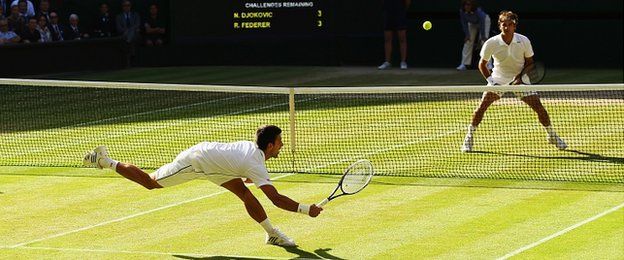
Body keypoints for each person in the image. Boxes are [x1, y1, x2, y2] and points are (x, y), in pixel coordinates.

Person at [83, 125, 323, 247]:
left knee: (245, 193)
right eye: (280, 142)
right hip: (195, 162)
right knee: (151, 183)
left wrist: (245, 176)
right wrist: (306, 209)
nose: (282, 146)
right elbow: (276, 199)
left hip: (213, 165)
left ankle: (272, 235)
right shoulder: (255, 163)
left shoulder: (254, 154)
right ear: (270, 146)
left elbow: (237, 166)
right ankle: (105, 160)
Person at [460, 10, 567, 152]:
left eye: (510, 24)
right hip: (499, 77)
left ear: (514, 26)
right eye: (504, 24)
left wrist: (520, 78)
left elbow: (530, 63)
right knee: (481, 107)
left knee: (540, 109)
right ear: (500, 26)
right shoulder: (491, 43)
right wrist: (492, 81)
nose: (507, 27)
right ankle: (469, 138)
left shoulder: (524, 41)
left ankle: (552, 135)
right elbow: (482, 64)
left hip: (521, 78)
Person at [456, 0, 491, 71]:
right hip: (472, 23)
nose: (467, 6)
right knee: (468, 41)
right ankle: (464, 64)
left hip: (484, 21)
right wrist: (467, 35)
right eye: (465, 5)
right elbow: (464, 23)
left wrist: (483, 36)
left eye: (469, 4)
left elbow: (482, 24)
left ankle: (489, 64)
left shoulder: (478, 12)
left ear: (472, 6)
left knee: (484, 42)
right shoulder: (462, 12)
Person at [378, 0, 410, 70]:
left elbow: (407, 2)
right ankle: (387, 62)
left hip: (400, 13)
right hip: (388, 13)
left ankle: (403, 62)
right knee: (387, 39)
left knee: (402, 39)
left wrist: (401, 9)